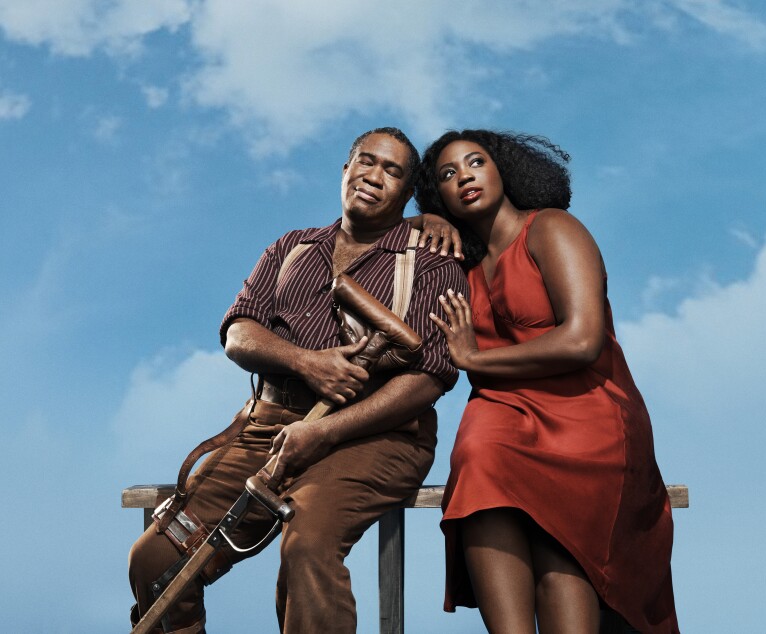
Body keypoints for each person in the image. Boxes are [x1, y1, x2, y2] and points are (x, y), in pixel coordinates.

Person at [128, 127, 468, 634]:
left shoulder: (431, 261)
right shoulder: (291, 247)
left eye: (392, 171)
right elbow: (239, 332)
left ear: (407, 190)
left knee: (307, 545)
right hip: (267, 427)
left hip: (374, 436)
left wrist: (326, 431)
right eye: (365, 161)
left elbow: (429, 378)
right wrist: (308, 362)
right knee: (155, 558)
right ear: (345, 169)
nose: (374, 177)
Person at [416, 130, 679, 634]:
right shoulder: (459, 267)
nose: (464, 176)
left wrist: (474, 358)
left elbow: (583, 340)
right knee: (479, 451)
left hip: (588, 411)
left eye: (475, 162)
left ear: (504, 170)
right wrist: (419, 220)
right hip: (505, 414)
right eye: (447, 175)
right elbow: (380, 247)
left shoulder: (552, 228)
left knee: (559, 566)